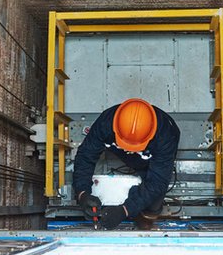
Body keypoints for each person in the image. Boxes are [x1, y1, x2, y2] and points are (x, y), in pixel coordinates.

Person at [72, 98, 180, 230]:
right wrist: (82, 193)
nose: (130, 150)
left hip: (151, 159)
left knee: (154, 200)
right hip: (123, 151)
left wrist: (125, 210)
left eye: (133, 147)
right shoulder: (106, 123)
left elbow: (157, 182)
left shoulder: (166, 135)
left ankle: (147, 216)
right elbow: (85, 157)